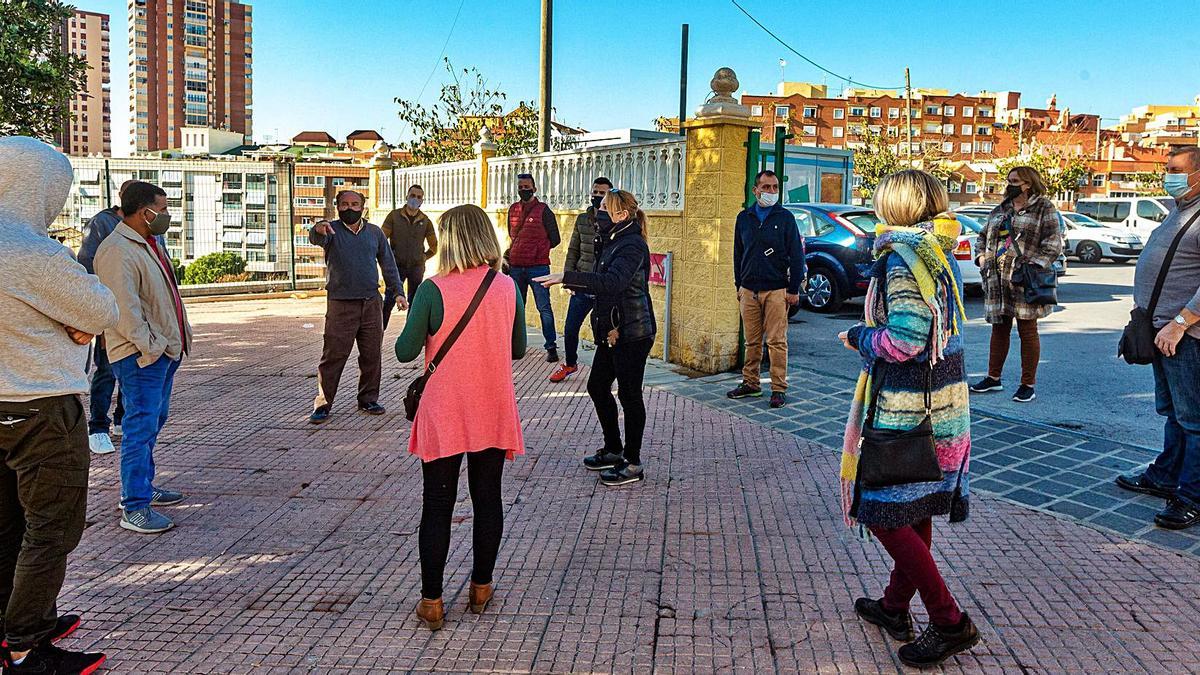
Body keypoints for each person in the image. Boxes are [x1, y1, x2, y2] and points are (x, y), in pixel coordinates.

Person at [838, 170, 978, 668]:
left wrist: (859, 337)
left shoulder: (902, 261)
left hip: (906, 411)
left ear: (892, 207)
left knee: (882, 510)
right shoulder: (939, 252)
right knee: (913, 505)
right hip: (942, 405)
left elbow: (905, 340)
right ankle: (895, 608)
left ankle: (948, 621)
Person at [0, 136, 117, 675]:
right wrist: (69, 321)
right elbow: (100, 307)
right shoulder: (29, 250)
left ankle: (16, 625)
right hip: (42, 406)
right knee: (52, 528)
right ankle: (26, 647)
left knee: (7, 525)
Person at [395, 204, 526, 631]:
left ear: (449, 239)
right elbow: (519, 348)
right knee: (488, 498)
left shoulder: (433, 289)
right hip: (491, 405)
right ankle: (481, 588)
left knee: (437, 504)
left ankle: (432, 602)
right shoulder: (506, 286)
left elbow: (405, 352)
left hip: (445, 409)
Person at [535, 189, 656, 487]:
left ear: (621, 215)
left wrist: (567, 277)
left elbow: (613, 283)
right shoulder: (612, 239)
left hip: (632, 332)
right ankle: (614, 449)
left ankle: (632, 462)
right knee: (597, 386)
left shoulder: (632, 245)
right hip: (611, 331)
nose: (598, 211)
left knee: (629, 396)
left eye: (604, 207)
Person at [94, 181, 192, 535]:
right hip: (141, 356)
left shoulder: (148, 243)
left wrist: (172, 342)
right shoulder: (118, 250)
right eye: (161, 210)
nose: (165, 216)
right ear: (143, 211)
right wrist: (150, 347)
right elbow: (124, 309)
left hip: (162, 351)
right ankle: (134, 505)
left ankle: (143, 488)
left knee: (152, 421)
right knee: (139, 427)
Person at [1115, 146, 1200, 530]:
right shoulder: (1179, 211)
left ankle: (1191, 496)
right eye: (1167, 169)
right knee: (1173, 413)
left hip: (1185, 334)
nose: (1169, 177)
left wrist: (1181, 322)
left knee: (1194, 419)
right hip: (1161, 330)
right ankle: (1166, 476)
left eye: (1177, 170)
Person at [308, 190, 405, 424]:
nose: (349, 208)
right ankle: (323, 403)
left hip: (371, 303)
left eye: (354, 204)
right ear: (337, 206)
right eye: (344, 204)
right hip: (340, 304)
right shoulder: (330, 231)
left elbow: (388, 264)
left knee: (372, 354)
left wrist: (399, 292)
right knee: (333, 355)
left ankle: (368, 399)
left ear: (363, 207)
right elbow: (315, 236)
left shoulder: (375, 233)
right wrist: (318, 227)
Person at [970, 166, 1064, 403]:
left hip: (1024, 280)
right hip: (996, 280)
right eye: (1009, 180)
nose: (1010, 184)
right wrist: (981, 257)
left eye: (1015, 181)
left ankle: (1027, 384)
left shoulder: (1044, 207)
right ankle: (993, 378)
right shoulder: (1001, 208)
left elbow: (1053, 244)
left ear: (1028, 183)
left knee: (1027, 330)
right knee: (998, 328)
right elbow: (982, 237)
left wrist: (1032, 266)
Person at [725, 170, 805, 409]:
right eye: (766, 187)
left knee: (777, 341)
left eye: (775, 187)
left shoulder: (785, 218)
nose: (771, 192)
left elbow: (797, 256)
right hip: (749, 290)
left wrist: (793, 289)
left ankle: (778, 388)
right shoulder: (744, 218)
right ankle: (750, 383)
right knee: (752, 341)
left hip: (776, 290)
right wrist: (739, 285)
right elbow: (738, 254)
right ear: (755, 190)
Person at [78, 178, 143, 455]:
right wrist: (98, 312)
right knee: (106, 370)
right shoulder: (101, 224)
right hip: (109, 310)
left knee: (133, 368)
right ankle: (98, 427)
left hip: (137, 311)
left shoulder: (148, 226)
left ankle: (120, 420)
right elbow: (87, 266)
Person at [549, 177, 611, 383]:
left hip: (603, 286)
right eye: (595, 192)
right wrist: (568, 280)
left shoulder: (614, 221)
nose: (597, 196)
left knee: (603, 330)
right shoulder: (582, 219)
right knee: (570, 327)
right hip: (582, 283)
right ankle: (570, 363)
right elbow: (573, 250)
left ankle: (607, 370)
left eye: (602, 193)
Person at [506, 173, 561, 363]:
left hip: (538, 268)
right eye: (520, 187)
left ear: (534, 189)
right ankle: (514, 344)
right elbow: (512, 236)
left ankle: (551, 347)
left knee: (544, 307)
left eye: (527, 187)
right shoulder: (513, 209)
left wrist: (538, 250)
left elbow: (555, 239)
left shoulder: (544, 211)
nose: (524, 190)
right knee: (515, 308)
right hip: (516, 267)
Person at [381, 184, 437, 329]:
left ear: (422, 201)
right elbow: (381, 238)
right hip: (396, 266)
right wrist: (388, 258)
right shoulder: (394, 216)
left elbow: (434, 247)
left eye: (419, 197)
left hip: (416, 268)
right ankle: (379, 330)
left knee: (414, 301)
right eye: (412, 196)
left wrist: (423, 257)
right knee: (389, 299)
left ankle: (409, 334)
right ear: (406, 197)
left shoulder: (425, 221)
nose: (415, 199)